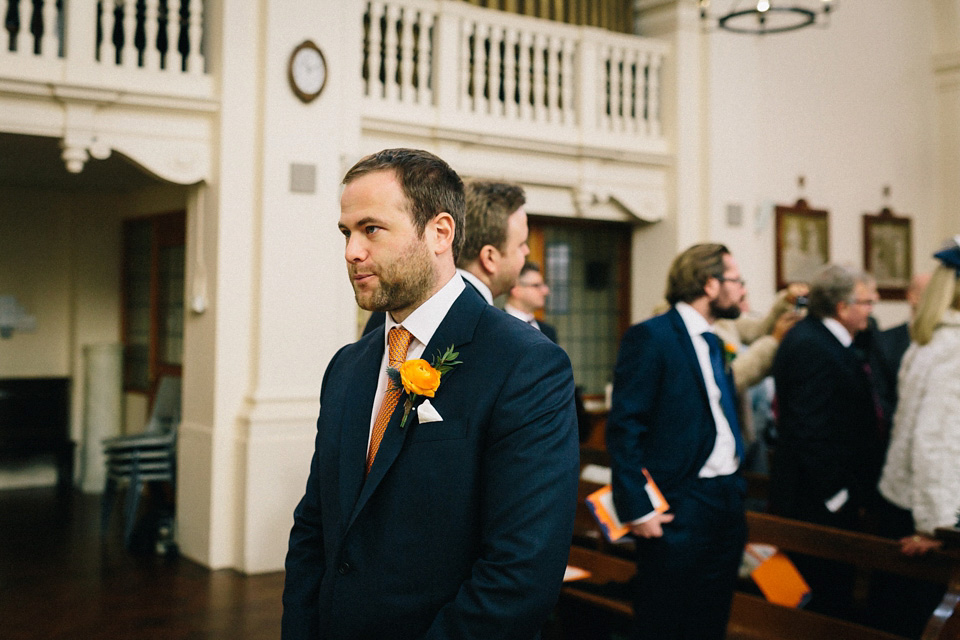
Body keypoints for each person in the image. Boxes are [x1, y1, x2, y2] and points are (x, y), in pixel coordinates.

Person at [282, 148, 580, 640]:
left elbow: (520, 572)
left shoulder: (524, 364)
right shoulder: (348, 368)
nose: (351, 251)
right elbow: (315, 526)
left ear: (440, 233)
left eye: (371, 229)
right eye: (346, 232)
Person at [607, 243, 748, 640]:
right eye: (736, 280)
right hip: (681, 501)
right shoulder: (651, 337)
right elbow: (626, 426)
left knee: (712, 617)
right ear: (709, 284)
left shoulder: (716, 342)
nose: (741, 290)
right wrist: (637, 507)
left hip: (726, 498)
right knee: (665, 620)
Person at [769, 264, 880, 618]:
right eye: (866, 301)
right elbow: (808, 428)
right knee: (822, 604)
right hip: (816, 500)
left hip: (821, 495)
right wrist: (837, 494)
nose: (872, 308)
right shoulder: (813, 345)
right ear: (841, 306)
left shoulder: (820, 339)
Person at [363, 178, 530, 334]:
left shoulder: (397, 301)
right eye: (521, 244)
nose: (527, 251)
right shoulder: (487, 327)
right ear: (489, 258)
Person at [879, 240, 960, 553]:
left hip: (908, 499)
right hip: (929, 514)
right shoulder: (952, 349)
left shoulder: (932, 340)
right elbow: (935, 442)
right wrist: (934, 527)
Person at [505, 261, 556, 342]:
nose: (546, 291)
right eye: (536, 285)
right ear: (515, 289)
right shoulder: (496, 326)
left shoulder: (548, 332)